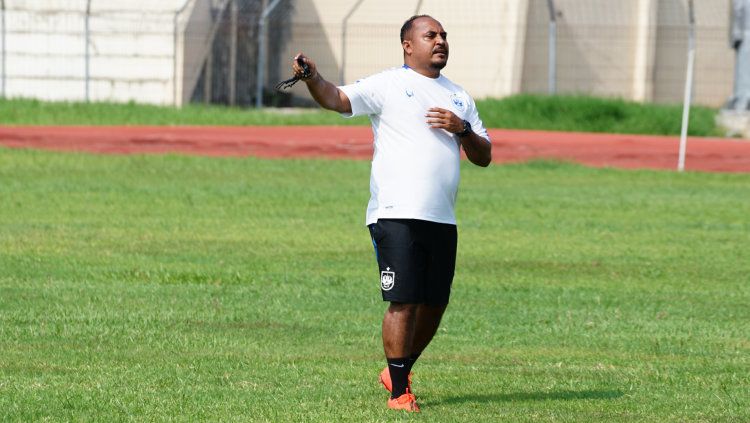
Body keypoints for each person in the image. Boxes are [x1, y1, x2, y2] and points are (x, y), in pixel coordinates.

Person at [289, 14, 491, 412]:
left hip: (442, 218)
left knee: (435, 303)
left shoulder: (458, 96)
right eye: (430, 35)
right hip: (396, 213)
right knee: (403, 300)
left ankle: (398, 368)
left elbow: (484, 156)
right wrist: (312, 77)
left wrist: (462, 128)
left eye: (444, 36)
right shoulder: (389, 84)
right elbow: (336, 98)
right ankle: (400, 392)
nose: (440, 41)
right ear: (408, 45)